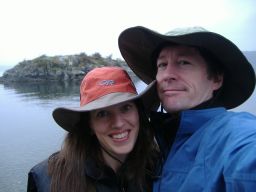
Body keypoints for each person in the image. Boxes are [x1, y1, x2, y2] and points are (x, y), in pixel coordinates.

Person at [118, 26, 256, 191]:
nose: (167, 74)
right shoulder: (156, 143)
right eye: (162, 64)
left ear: (217, 79)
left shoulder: (237, 135)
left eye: (184, 62)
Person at [27, 66, 160, 192]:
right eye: (102, 113)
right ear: (89, 125)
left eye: (126, 108)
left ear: (139, 113)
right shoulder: (48, 180)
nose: (118, 123)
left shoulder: (157, 166)